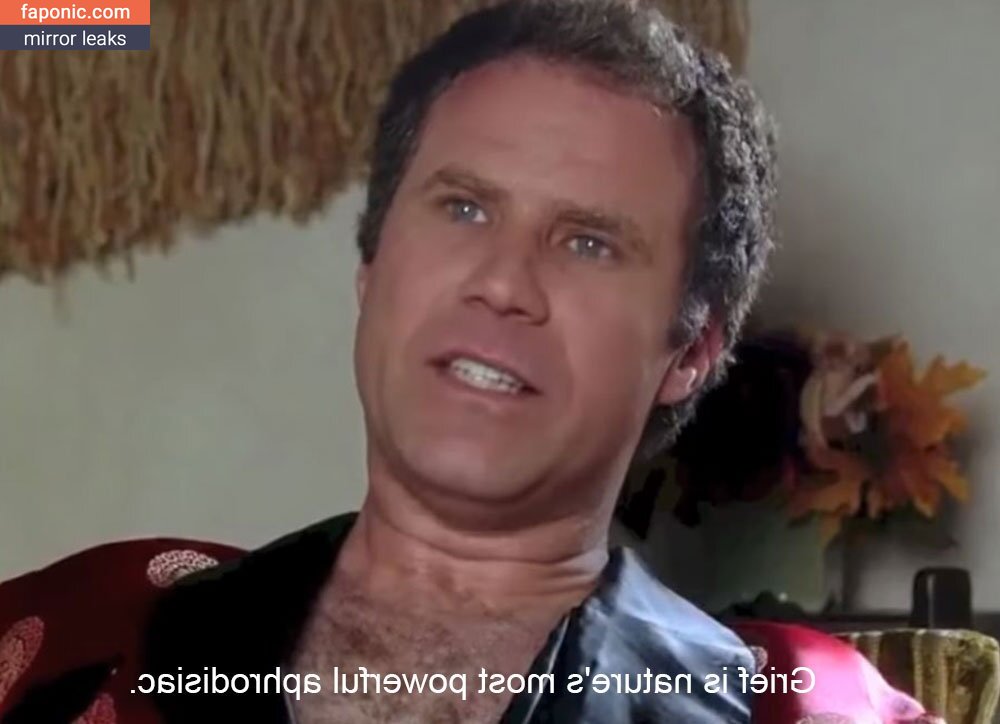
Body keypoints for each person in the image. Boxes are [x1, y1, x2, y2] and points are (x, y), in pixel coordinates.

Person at [0, 0, 777, 722]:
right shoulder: (72, 638)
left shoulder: (771, 709)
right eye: (464, 208)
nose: (502, 283)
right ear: (371, 269)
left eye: (588, 243)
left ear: (691, 352)